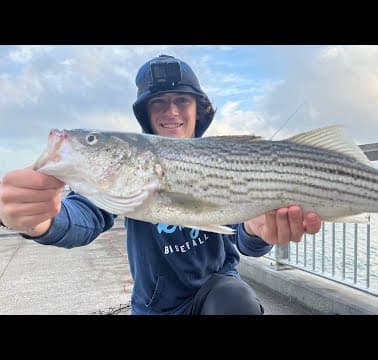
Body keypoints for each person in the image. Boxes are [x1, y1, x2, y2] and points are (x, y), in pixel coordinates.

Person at [0, 54, 322, 315]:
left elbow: (246, 241)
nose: (171, 111)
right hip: (155, 308)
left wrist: (258, 230)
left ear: (198, 109)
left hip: (219, 294)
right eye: (159, 102)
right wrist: (44, 220)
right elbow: (83, 215)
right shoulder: (124, 169)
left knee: (235, 303)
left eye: (182, 100)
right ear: (146, 114)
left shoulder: (225, 163)